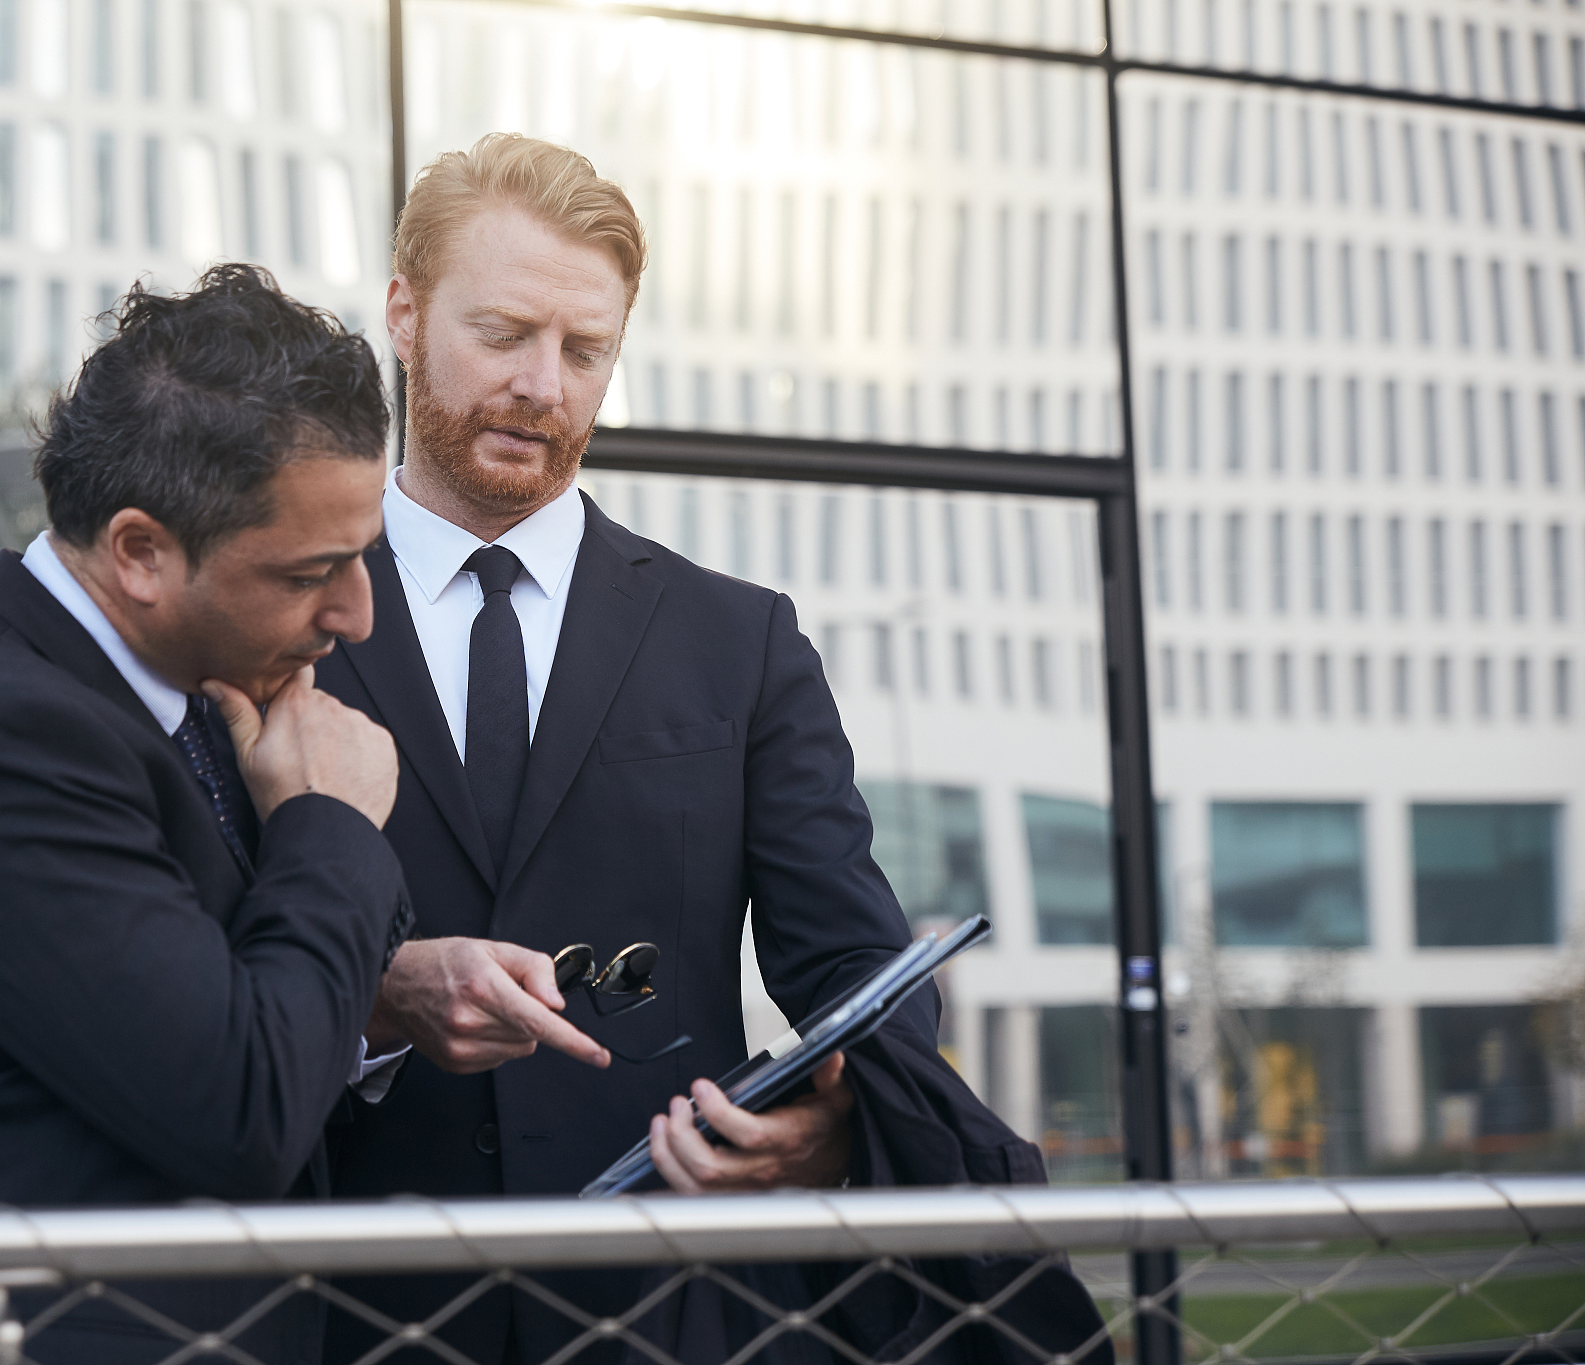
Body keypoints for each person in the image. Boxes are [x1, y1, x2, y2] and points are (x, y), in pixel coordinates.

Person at [315, 136, 1110, 1365]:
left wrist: (837, 1130)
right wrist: (373, 998)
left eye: (586, 352)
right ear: (404, 316)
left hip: (671, 1313)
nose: (543, 384)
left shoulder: (736, 641)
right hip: (349, 1308)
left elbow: (852, 959)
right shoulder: (283, 617)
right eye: (505, 333)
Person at [0, 265, 415, 1365]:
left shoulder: (191, 688)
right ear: (140, 552)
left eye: (366, 556)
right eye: (317, 570)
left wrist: (389, 999)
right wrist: (328, 824)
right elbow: (237, 1111)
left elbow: (187, 1006)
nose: (354, 613)